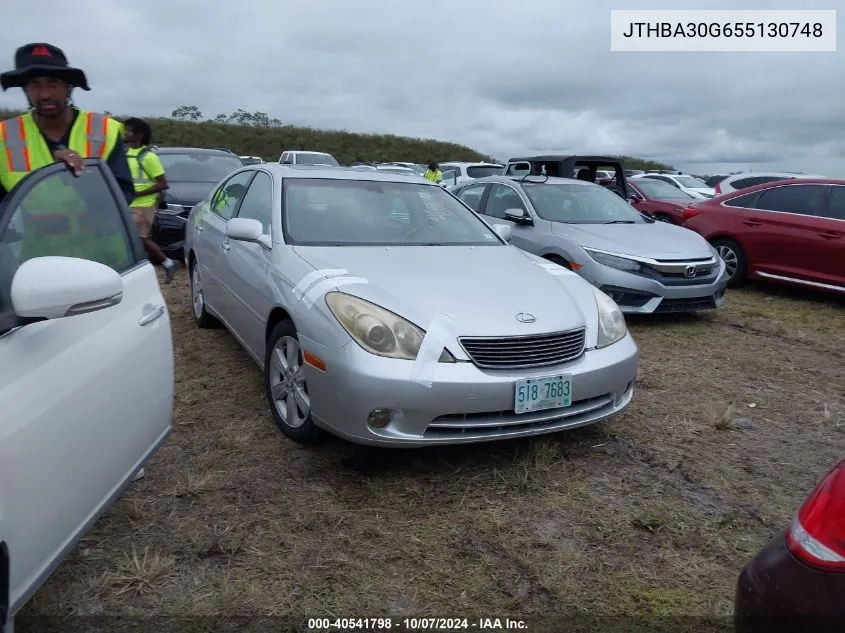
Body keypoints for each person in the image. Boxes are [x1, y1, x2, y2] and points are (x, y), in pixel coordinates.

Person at [0, 43, 134, 206]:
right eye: (35, 84)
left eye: (53, 83)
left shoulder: (105, 130)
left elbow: (124, 195)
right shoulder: (4, 134)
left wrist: (85, 176)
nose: (45, 94)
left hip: (98, 232)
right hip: (32, 232)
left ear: (69, 86)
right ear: (25, 89)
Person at [123, 117, 180, 282]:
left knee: (137, 238)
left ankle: (166, 263)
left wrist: (138, 194)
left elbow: (163, 184)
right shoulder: (126, 153)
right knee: (134, 239)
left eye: (129, 130)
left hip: (143, 205)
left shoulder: (148, 157)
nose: (125, 133)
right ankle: (167, 263)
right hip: (128, 204)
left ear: (139, 135)